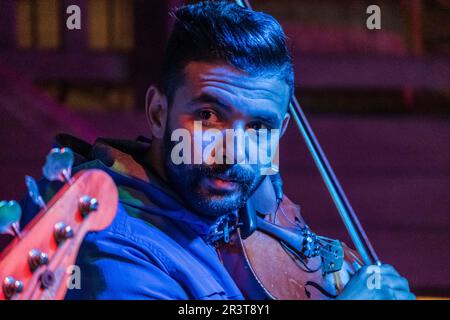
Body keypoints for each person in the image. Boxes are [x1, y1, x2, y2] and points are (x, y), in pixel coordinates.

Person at [21, 0, 414, 300]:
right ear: (159, 113)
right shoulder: (111, 246)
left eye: (260, 127)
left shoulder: (238, 188)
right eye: (208, 116)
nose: (233, 154)